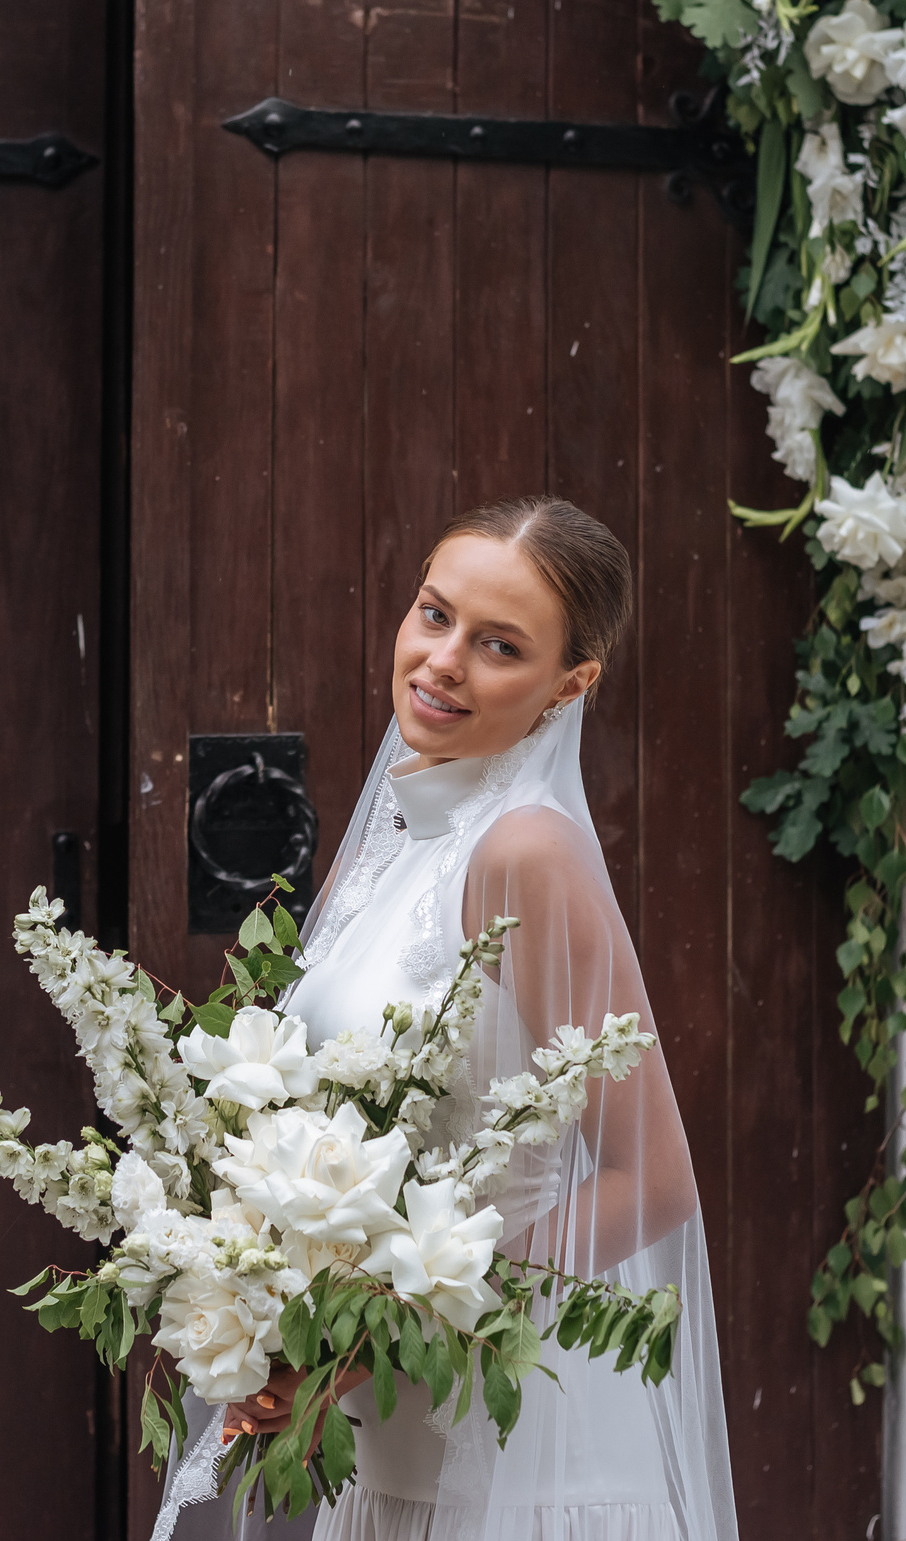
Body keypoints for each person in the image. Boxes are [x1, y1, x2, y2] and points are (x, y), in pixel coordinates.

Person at [164, 496, 737, 1541]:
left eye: (498, 645)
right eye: (434, 614)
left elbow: (648, 1179)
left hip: (515, 1471)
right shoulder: (404, 825)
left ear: (572, 682)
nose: (442, 662)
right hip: (393, 1452)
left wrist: (376, 1329)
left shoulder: (524, 850)